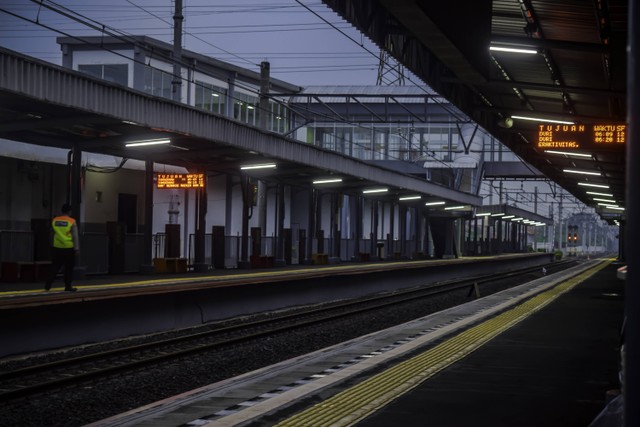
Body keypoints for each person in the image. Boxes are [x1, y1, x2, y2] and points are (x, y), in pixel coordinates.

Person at [45, 203, 80, 292]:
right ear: (69, 211)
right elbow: (75, 236)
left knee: (55, 266)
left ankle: (48, 283)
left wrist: (51, 244)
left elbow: (51, 234)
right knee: (68, 268)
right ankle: (68, 286)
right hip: (68, 248)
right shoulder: (72, 221)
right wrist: (76, 248)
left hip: (57, 247)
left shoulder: (55, 220)